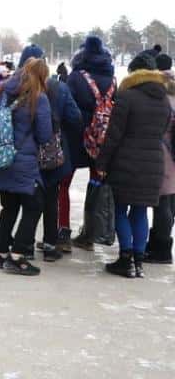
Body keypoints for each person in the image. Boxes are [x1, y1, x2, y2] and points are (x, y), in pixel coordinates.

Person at [95, 53, 171, 278]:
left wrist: (102, 162)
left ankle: (125, 259)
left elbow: (114, 135)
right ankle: (138, 262)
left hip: (125, 162)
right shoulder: (164, 100)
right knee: (140, 210)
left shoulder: (127, 97)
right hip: (154, 163)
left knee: (119, 208)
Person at [0, 58, 53, 276]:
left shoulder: (3, 89)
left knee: (9, 207)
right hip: (23, 161)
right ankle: (18, 256)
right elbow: (44, 135)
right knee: (34, 205)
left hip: (0, 158)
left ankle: (1, 254)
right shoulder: (38, 99)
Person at [63, 35, 116, 251]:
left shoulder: (76, 77)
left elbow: (67, 108)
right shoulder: (112, 80)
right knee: (96, 185)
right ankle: (90, 235)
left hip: (76, 138)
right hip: (103, 140)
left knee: (63, 184)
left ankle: (62, 233)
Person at [37, 68, 83, 261]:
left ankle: (21, 246)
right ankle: (50, 244)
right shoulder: (60, 88)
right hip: (54, 149)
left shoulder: (21, 87)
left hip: (28, 150)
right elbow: (76, 117)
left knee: (29, 199)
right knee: (52, 196)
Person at [147, 53, 175, 264]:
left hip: (164, 152)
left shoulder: (161, 92)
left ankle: (161, 248)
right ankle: (161, 243)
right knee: (169, 201)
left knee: (162, 201)